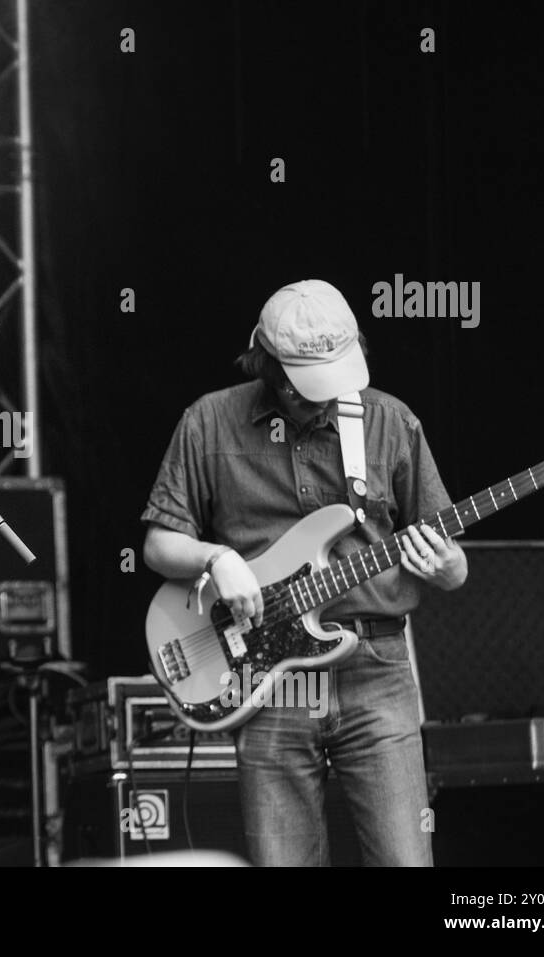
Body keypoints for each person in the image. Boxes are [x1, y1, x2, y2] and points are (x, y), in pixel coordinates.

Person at [141, 279, 468, 866]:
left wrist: (448, 568)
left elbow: (453, 561)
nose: (323, 398)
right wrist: (218, 558)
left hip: (377, 671)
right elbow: (159, 544)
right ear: (269, 367)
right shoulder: (209, 422)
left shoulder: (390, 422)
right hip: (267, 681)